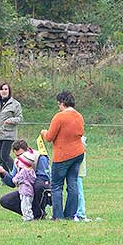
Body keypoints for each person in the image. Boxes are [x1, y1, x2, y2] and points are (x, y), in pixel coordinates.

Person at [41, 90, 85, 220]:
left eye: (59, 104)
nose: (58, 107)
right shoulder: (79, 116)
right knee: (73, 184)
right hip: (78, 153)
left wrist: (43, 132)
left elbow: (49, 137)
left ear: (62, 103)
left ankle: (58, 216)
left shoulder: (59, 117)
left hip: (62, 156)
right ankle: (70, 215)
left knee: (56, 186)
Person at [0, 139, 50, 219]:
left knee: (38, 186)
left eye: (21, 154)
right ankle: (29, 213)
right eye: (17, 156)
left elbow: (45, 177)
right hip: (25, 190)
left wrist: (27, 176)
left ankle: (39, 213)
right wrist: (3, 173)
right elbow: (12, 182)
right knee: (5, 200)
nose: (19, 158)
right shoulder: (18, 162)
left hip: (42, 190)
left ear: (28, 150)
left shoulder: (40, 157)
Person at [0, 82, 23, 173]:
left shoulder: (15, 104)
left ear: (9, 91)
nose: (4, 91)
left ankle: (16, 172)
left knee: (5, 156)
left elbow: (20, 118)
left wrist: (11, 120)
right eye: (2, 89)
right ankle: (5, 178)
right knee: (0, 158)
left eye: (6, 89)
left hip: (8, 134)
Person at [12, 152, 36, 221]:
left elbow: (16, 179)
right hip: (30, 191)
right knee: (28, 205)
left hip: (24, 191)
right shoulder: (31, 171)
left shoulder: (23, 171)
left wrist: (14, 180)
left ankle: (28, 217)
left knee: (24, 205)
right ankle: (29, 216)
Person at [74, 136, 91, 222]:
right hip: (78, 173)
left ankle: (80, 213)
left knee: (79, 193)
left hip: (77, 174)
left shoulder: (79, 151)